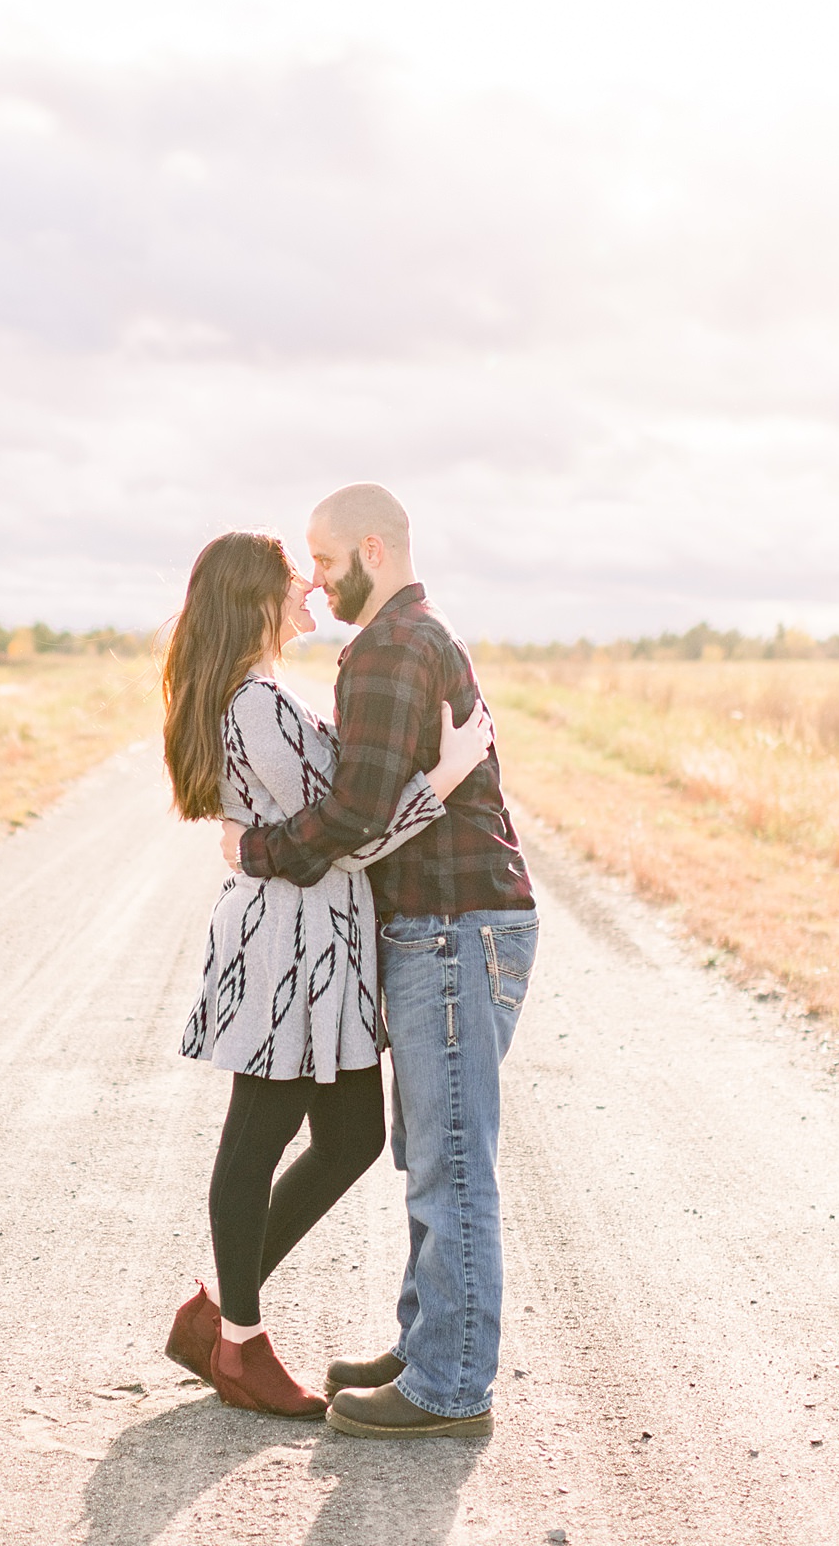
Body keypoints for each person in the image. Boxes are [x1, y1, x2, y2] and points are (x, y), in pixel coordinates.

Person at [222, 484, 537, 1440]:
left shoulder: (394, 648)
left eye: (324, 560)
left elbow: (358, 815)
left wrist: (256, 849)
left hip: (453, 922)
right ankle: (430, 1343)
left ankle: (448, 1386)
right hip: (447, 923)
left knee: (448, 1159)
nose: (316, 580)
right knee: (429, 1151)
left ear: (372, 547)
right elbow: (382, 797)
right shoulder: (402, 639)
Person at [159, 530, 495, 1419]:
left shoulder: (264, 697)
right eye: (293, 578)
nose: (311, 587)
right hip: (284, 951)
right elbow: (348, 833)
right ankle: (239, 1342)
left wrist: (266, 847)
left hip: (325, 949)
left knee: (350, 1138)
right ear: (254, 600)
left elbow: (328, 829)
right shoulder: (254, 707)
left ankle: (216, 1311)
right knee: (257, 1133)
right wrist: (448, 777)